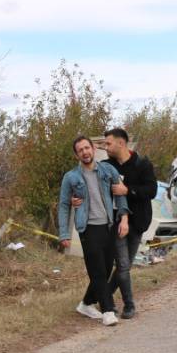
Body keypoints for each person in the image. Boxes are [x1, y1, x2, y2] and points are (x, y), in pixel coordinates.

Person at [58, 136, 129, 326]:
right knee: (96, 270)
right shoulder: (71, 177)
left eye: (87, 148)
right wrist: (64, 234)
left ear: (92, 149)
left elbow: (120, 194)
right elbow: (64, 205)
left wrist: (123, 218)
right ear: (76, 155)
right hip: (87, 228)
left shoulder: (107, 170)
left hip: (107, 225)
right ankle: (107, 311)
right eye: (80, 150)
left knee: (105, 270)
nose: (85, 152)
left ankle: (86, 303)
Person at [103, 128, 157, 319]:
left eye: (108, 143)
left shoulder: (142, 164)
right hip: (117, 222)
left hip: (139, 222)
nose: (105, 147)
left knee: (125, 267)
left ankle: (105, 297)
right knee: (123, 265)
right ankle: (129, 305)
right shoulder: (106, 166)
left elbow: (151, 191)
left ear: (121, 143)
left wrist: (128, 190)